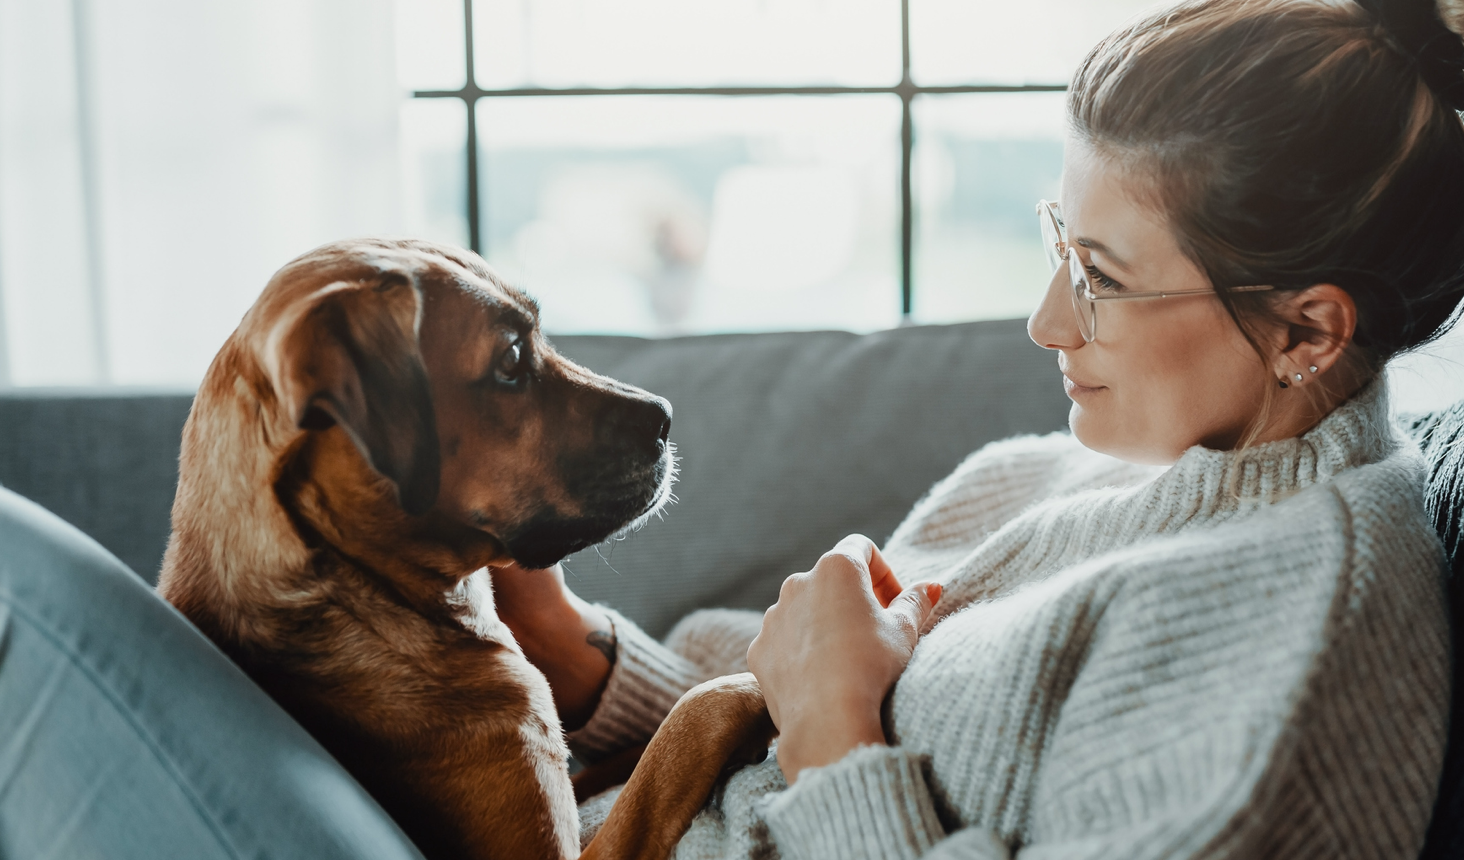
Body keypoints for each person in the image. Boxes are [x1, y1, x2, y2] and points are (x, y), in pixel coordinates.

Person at [490, 0, 1464, 855]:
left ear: (1309, 330)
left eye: (1101, 279)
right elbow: (758, 727)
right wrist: (575, 652)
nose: (1044, 322)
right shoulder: (1051, 477)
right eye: (1061, 243)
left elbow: (813, 732)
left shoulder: (1294, 645)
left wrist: (836, 729)